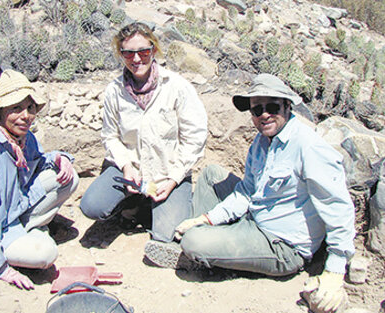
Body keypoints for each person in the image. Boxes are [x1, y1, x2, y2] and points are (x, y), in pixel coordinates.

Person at [145, 73, 355, 313]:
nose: (264, 115)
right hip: (255, 216)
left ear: (288, 106)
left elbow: (338, 207)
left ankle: (196, 254)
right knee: (211, 174)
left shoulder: (309, 147)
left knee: (194, 241)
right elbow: (247, 191)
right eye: (257, 110)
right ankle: (212, 239)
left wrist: (335, 270)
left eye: (272, 107)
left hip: (281, 243)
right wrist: (205, 218)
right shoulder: (262, 141)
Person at [0, 70, 79, 290]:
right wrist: (0, 268)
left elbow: (36, 162)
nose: (25, 116)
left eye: (29, 108)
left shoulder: (21, 137)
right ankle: (31, 236)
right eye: (16, 109)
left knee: (68, 177)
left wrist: (59, 157)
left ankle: (30, 231)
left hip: (12, 210)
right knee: (46, 253)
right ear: (0, 112)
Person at [80, 22, 207, 244]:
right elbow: (110, 136)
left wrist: (174, 178)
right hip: (133, 170)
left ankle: (157, 206)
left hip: (167, 172)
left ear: (154, 50)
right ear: (121, 54)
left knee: (166, 235)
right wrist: (127, 167)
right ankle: (132, 202)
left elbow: (195, 136)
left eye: (143, 51)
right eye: (128, 53)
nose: (136, 59)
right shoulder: (114, 91)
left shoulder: (176, 87)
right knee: (92, 206)